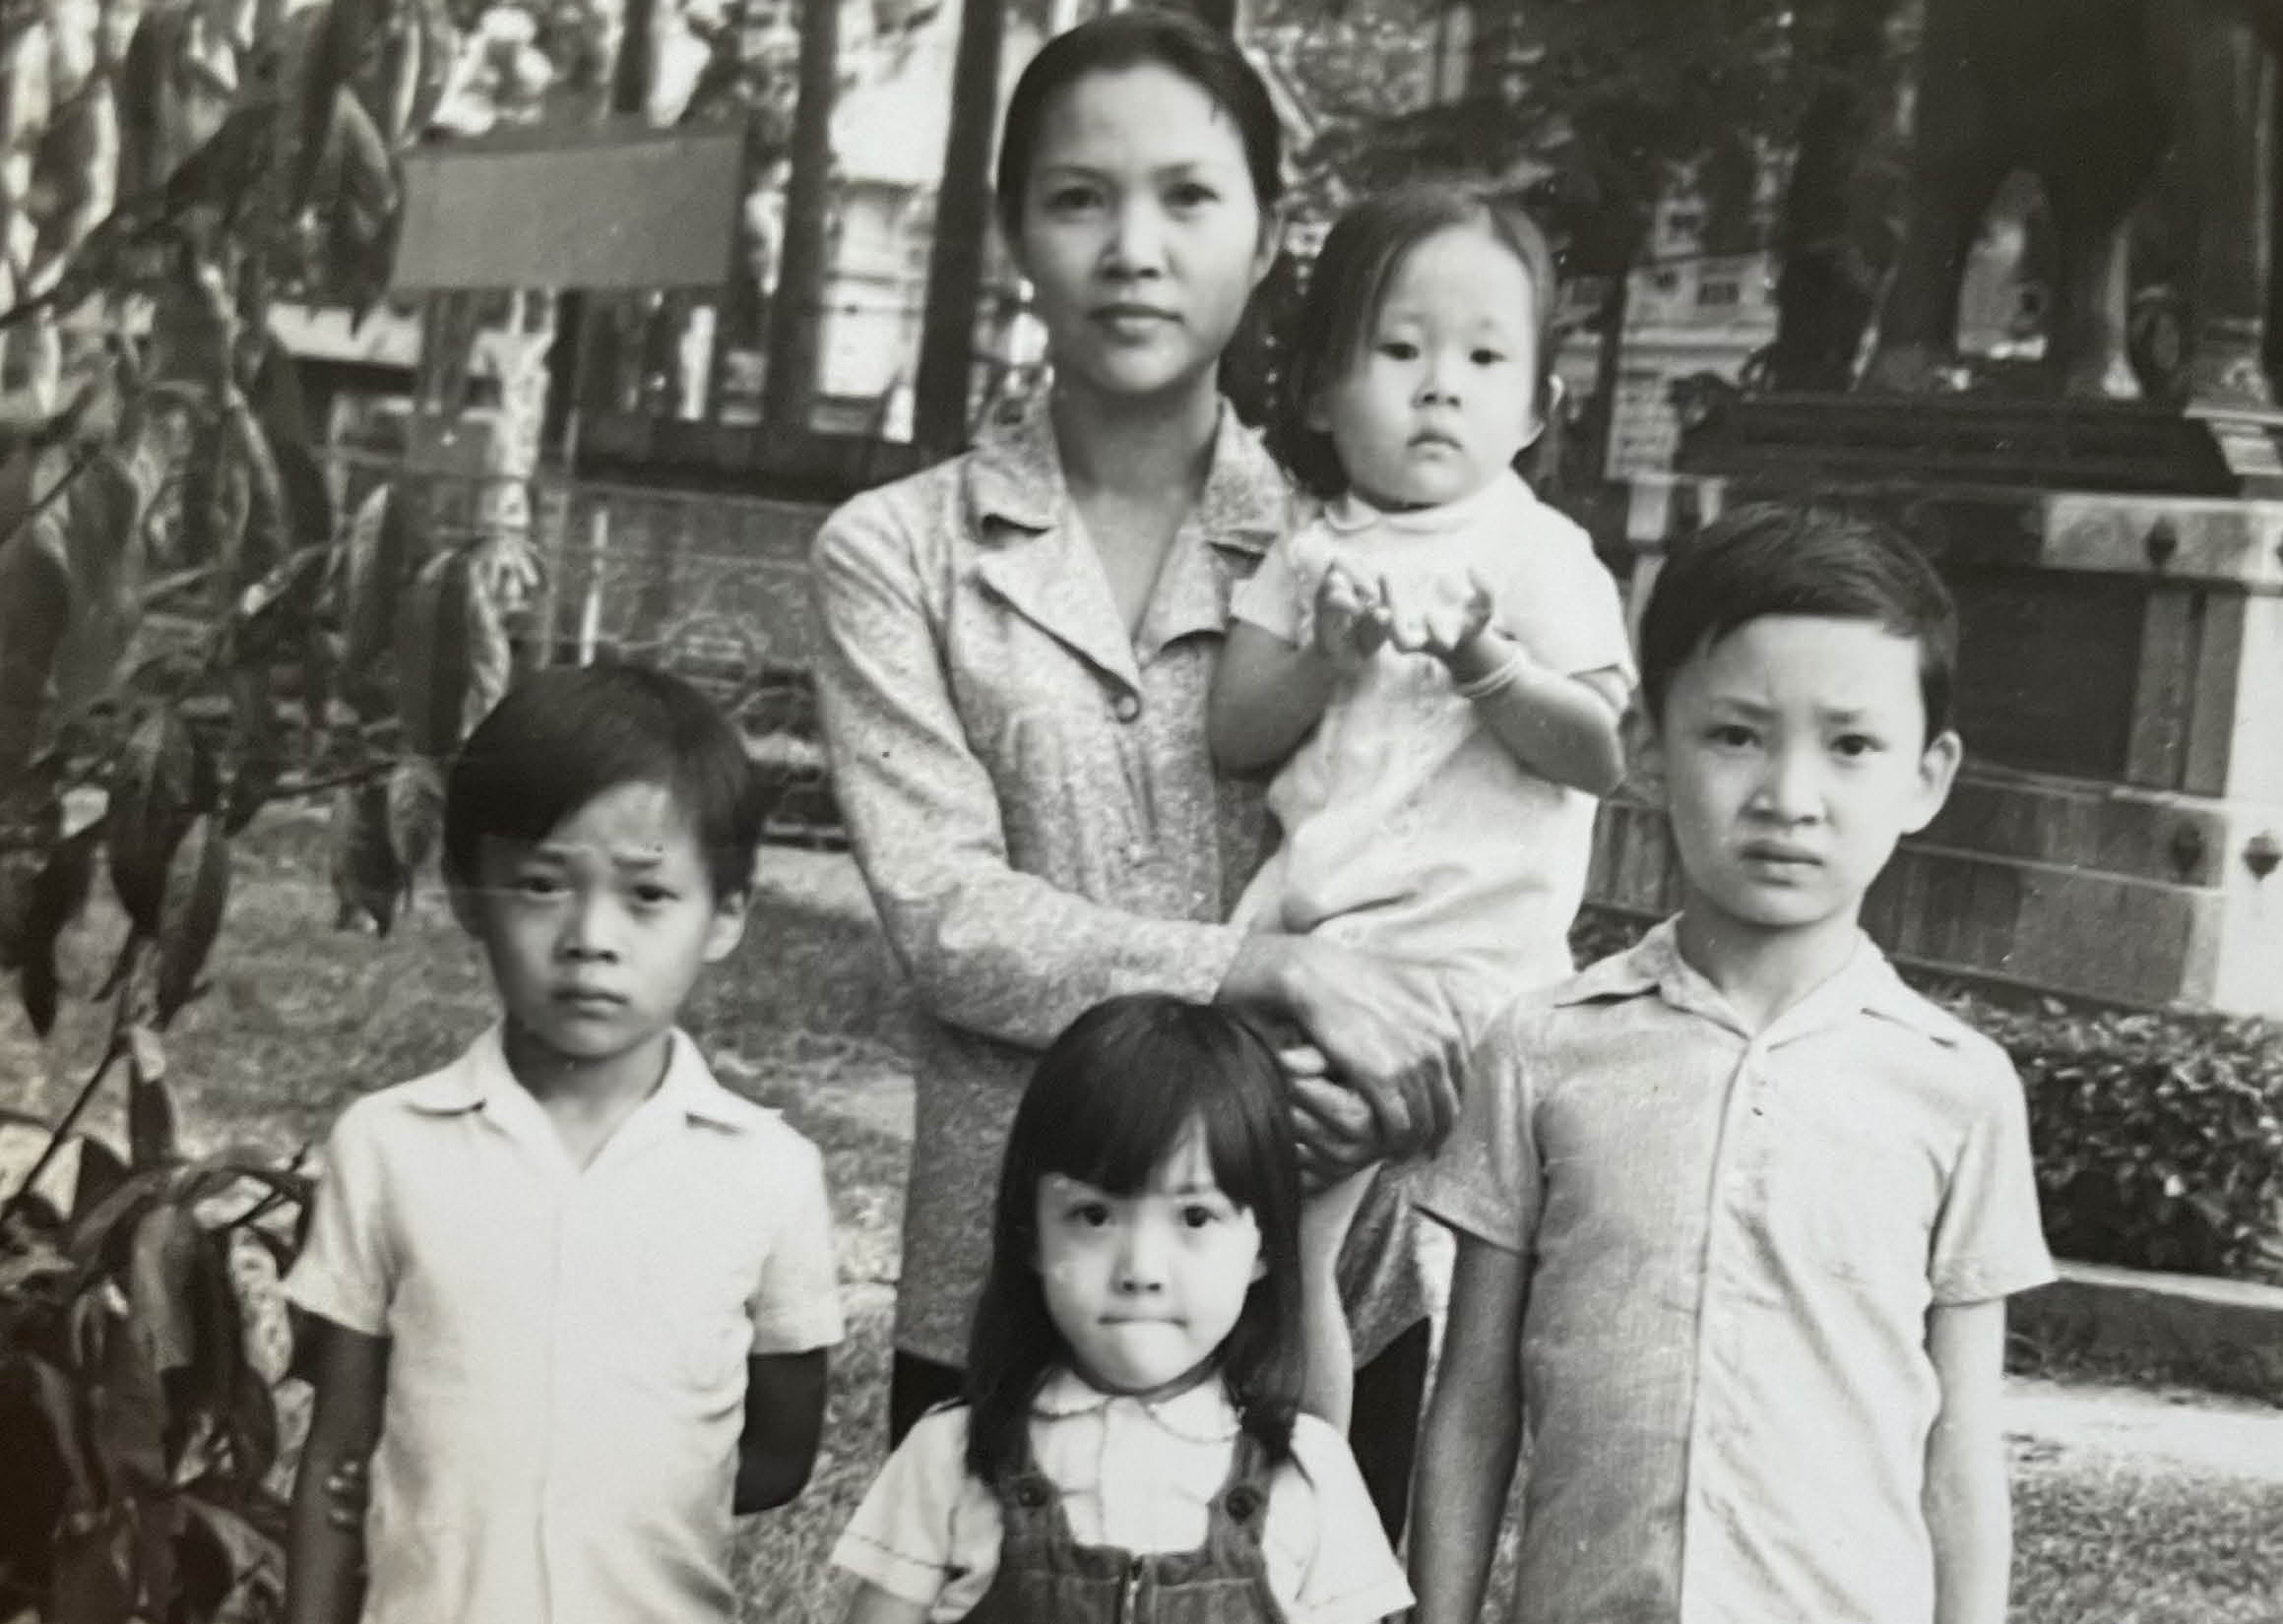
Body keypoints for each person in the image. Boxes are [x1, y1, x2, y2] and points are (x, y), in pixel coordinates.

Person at [807, 7, 1459, 1536]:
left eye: (1187, 195)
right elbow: (949, 916)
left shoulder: (1364, 553)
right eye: (1078, 196)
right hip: (1016, 1283)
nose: (1132, 246)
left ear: (1267, 232)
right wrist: (1263, 966)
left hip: (1311, 1275)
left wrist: (1397, 1086)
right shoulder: (897, 555)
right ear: (1015, 231)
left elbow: (1453, 877)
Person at [1409, 502, 2059, 1624]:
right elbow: (1472, 1404)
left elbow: (1960, 1451)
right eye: (1736, 735)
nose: (1788, 799)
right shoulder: (1545, 1049)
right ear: (1651, 750)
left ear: (1927, 775)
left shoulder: (1956, 1087)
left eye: (1851, 745)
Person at [283, 665, 845, 1624]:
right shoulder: (388, 1148)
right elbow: (341, 1452)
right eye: (542, 884)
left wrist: (604, 1488)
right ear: (468, 896)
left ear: (729, 915)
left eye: (648, 894)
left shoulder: (768, 1174)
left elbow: (780, 1450)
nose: (591, 936)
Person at [829, 995, 1415, 1624]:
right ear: (1032, 1235)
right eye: (1094, 1215)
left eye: (1194, 1217)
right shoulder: (951, 1453)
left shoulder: (1310, 1471)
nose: (1139, 1270)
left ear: (1264, 1247)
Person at [1209, 178, 1633, 1030]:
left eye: (1484, 359)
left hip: (1474, 973)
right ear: (1319, 393)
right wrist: (1323, 660)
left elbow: (1597, 756)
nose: (1441, 386)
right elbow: (1232, 735)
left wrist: (1487, 663)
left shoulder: (1538, 551)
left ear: (1535, 411)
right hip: (1308, 951)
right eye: (1400, 349)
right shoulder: (1309, 551)